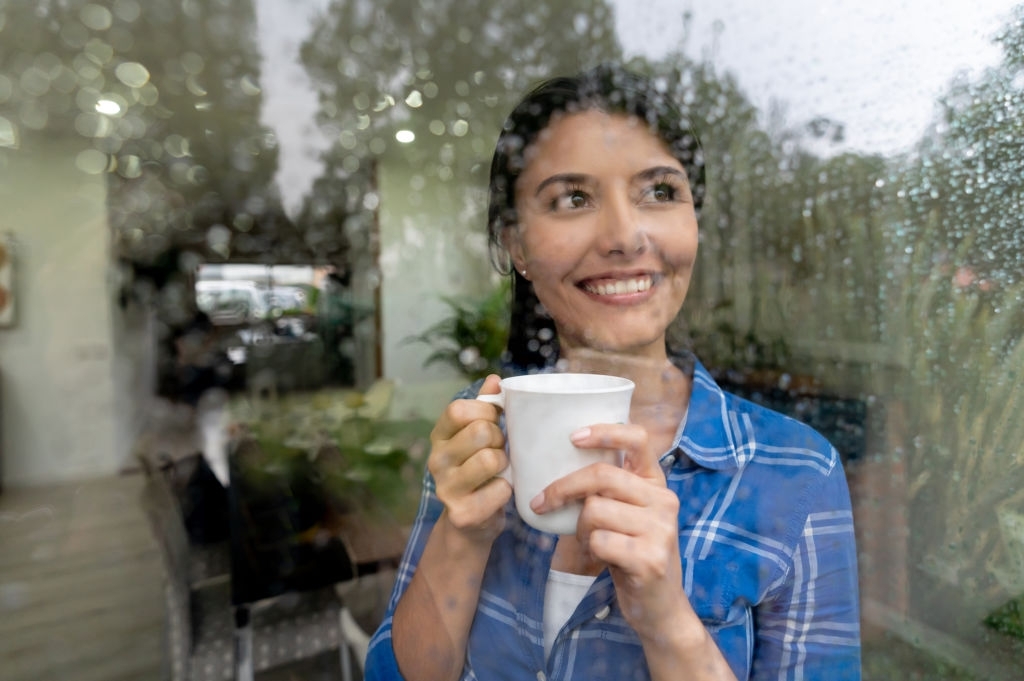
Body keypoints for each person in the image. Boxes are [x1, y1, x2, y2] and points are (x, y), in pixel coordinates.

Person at [365, 64, 861, 680]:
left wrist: (665, 616)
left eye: (660, 192)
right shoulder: (482, 428)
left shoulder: (797, 473)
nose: (626, 236)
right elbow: (397, 672)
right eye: (573, 198)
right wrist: (463, 535)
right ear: (517, 246)